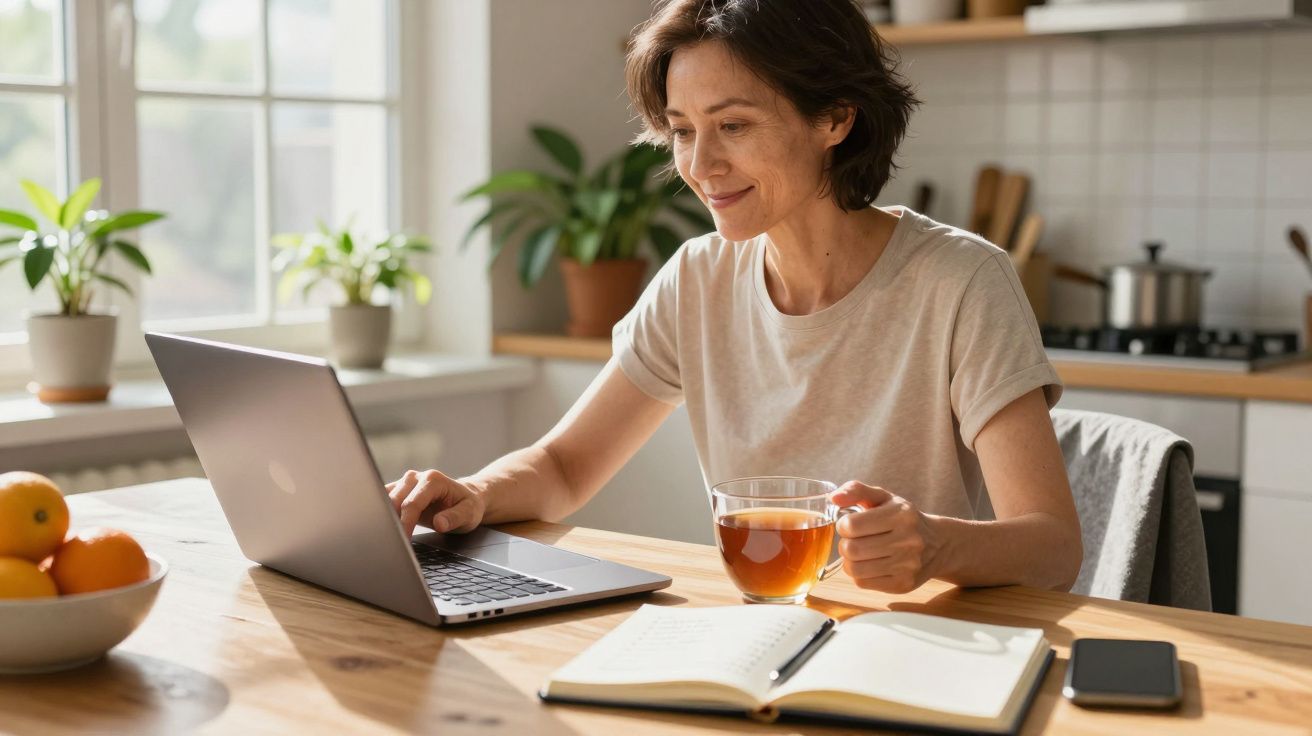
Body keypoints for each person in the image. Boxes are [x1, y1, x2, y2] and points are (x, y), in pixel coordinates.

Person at [388, 0, 1083, 594]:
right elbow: (565, 467)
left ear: (835, 118)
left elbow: (1052, 546)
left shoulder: (962, 282)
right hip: (762, 632)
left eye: (735, 126)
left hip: (919, 647)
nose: (700, 165)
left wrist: (935, 545)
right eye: (683, 131)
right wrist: (476, 492)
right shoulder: (697, 279)